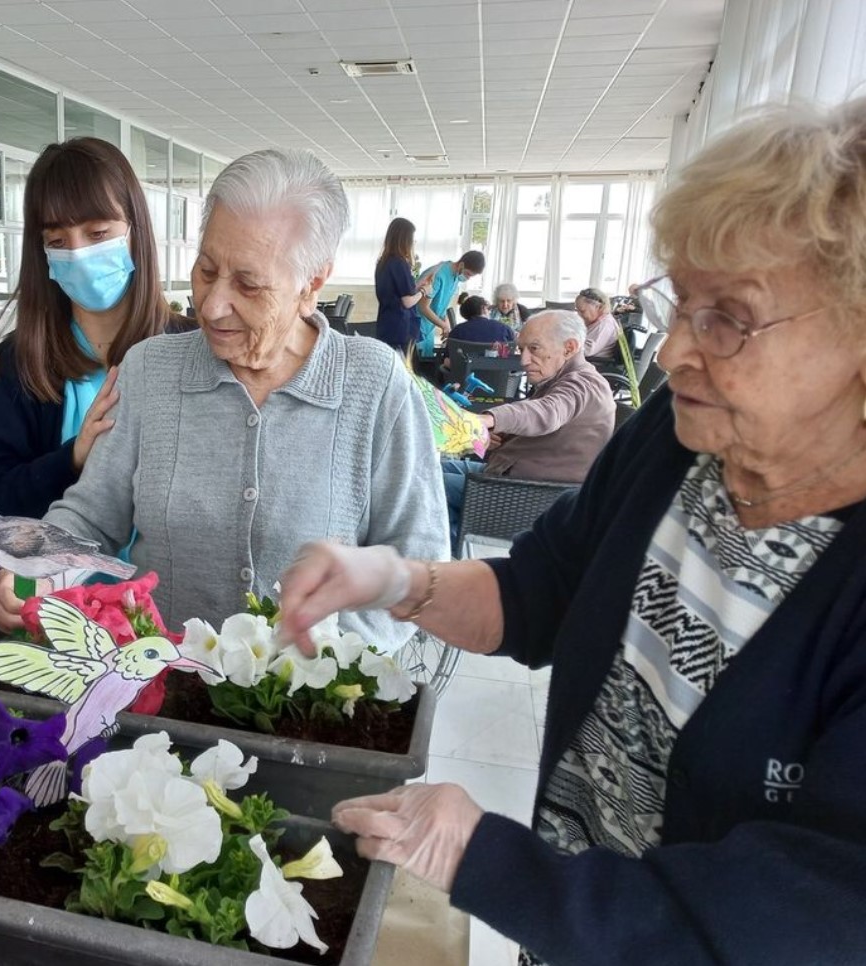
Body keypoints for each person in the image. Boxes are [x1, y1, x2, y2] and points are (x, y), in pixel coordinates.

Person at [277, 97, 866, 964]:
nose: (670, 355)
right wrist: (397, 582)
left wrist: (484, 857)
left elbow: (798, 922)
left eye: (728, 319)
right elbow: (540, 592)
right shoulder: (676, 442)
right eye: (683, 305)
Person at [0, 148, 448, 649]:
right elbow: (93, 516)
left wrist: (323, 666)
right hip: (160, 689)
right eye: (206, 271)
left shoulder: (374, 385)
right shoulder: (150, 369)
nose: (212, 304)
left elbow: (418, 563)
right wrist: (30, 567)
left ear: (311, 282)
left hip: (309, 707)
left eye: (248, 284)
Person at [0, 138, 187, 522]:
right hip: (56, 583)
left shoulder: (191, 350)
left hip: (168, 582)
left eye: (98, 233)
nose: (80, 254)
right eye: (57, 241)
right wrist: (73, 457)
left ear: (135, 228)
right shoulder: (20, 362)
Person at [440, 310, 613, 541]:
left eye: (534, 348)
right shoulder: (563, 378)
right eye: (522, 349)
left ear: (569, 348)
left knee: (418, 483)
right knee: (424, 467)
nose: (523, 361)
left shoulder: (583, 384)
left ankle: (449, 543)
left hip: (524, 493)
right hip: (506, 474)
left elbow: (548, 412)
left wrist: (488, 418)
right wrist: (502, 433)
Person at [373, 216, 430, 354]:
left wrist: (416, 287)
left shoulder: (383, 262)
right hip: (400, 328)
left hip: (386, 324)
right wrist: (423, 291)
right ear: (405, 240)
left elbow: (396, 293)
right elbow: (407, 302)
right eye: (412, 239)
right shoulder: (399, 263)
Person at [416, 249, 485, 359]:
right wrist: (443, 325)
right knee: (415, 365)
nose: (467, 278)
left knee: (427, 365)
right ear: (461, 264)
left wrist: (445, 323)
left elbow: (441, 305)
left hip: (428, 329)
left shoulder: (455, 277)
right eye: (467, 274)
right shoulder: (439, 274)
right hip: (416, 326)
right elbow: (423, 307)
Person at [447, 295, 515, 345]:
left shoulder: (456, 331)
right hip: (495, 364)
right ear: (484, 308)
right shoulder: (505, 329)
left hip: (465, 364)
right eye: (488, 309)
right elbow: (511, 353)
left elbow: (448, 358)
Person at [575, 286, 620, 360]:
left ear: (599, 307)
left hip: (594, 364)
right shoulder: (597, 321)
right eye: (577, 310)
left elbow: (587, 350)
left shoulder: (605, 324)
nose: (579, 315)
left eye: (583, 311)